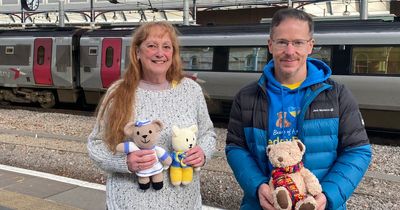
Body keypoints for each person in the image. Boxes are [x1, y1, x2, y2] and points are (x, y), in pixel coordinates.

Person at [225, 8, 371, 210]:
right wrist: (258, 187)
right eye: (282, 42)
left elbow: (358, 151)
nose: (290, 51)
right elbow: (236, 148)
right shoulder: (247, 97)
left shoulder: (337, 95)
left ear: (310, 46)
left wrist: (327, 196)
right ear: (270, 45)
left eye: (298, 42)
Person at [87, 21, 216, 209]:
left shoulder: (191, 90)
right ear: (137, 52)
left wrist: (203, 152)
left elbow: (208, 134)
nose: (160, 53)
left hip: (183, 203)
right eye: (151, 46)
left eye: (166, 47)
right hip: (129, 203)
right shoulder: (119, 92)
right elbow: (96, 144)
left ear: (173, 53)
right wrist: (125, 162)